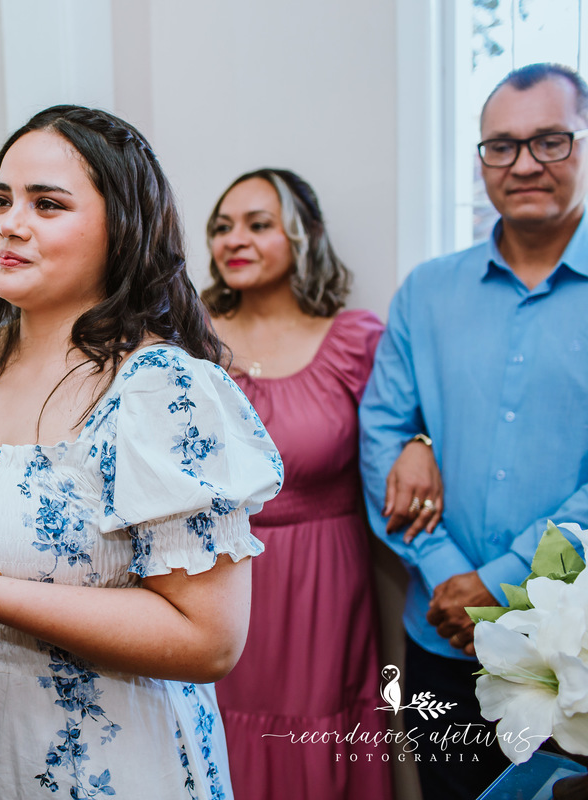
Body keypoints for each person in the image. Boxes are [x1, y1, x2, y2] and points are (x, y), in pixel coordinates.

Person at [0, 105, 283, 799]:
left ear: (121, 228)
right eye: (4, 199)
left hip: (101, 757)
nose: (10, 224)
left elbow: (209, 639)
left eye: (47, 204)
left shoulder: (159, 391)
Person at [360, 62, 588, 800]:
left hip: (577, 654)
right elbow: (382, 434)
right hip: (442, 642)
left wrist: (493, 585)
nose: (523, 163)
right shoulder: (427, 291)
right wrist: (443, 568)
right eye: (501, 145)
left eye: (550, 141)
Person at [201, 168, 397, 799]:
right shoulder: (187, 341)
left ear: (302, 236)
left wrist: (418, 446)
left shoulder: (354, 341)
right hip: (213, 574)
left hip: (322, 577)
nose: (236, 239)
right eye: (223, 227)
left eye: (259, 225)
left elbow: (406, 428)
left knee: (315, 730)